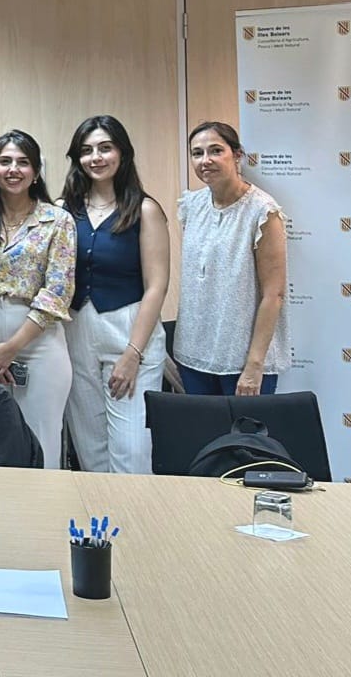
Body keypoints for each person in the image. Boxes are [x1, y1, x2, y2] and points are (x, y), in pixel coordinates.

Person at [60, 115, 169, 474]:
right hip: (76, 331)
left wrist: (133, 354)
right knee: (90, 450)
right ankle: (101, 512)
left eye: (105, 148)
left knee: (132, 452)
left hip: (129, 331)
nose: (96, 157)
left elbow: (157, 286)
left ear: (122, 153)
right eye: (87, 150)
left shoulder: (145, 209)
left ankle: (135, 513)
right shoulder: (64, 210)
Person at [0, 130, 76, 470]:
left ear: (36, 172)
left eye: (23, 162)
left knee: (40, 442)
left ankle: (42, 506)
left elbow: (57, 293)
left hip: (39, 346)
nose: (13, 169)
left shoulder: (58, 220)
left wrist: (11, 349)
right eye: (5, 161)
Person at [174, 120, 290, 395]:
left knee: (245, 426)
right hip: (193, 355)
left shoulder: (262, 211)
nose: (205, 160)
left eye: (216, 150)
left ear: (237, 155)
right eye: (197, 153)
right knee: (200, 425)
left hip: (242, 362)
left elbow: (273, 294)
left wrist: (254, 366)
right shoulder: (192, 205)